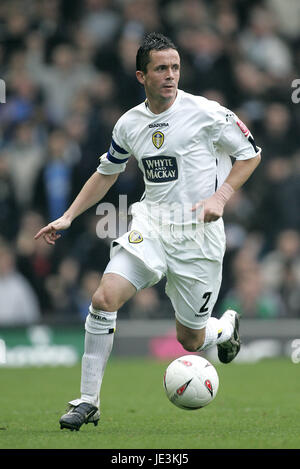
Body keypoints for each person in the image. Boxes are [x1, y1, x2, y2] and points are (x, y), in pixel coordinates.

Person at [34, 33, 261, 431]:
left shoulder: (206, 112)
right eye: (161, 68)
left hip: (198, 238)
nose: (170, 75)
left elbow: (251, 153)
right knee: (104, 297)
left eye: (175, 67)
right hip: (151, 226)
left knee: (190, 340)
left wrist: (220, 197)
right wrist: (69, 216)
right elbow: (107, 172)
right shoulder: (129, 123)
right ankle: (88, 401)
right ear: (142, 75)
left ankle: (225, 327)